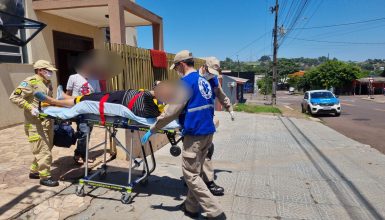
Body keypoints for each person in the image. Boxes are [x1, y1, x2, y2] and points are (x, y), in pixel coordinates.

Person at [141, 50, 226, 219]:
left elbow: (171, 111)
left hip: (194, 134)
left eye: (176, 67)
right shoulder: (204, 81)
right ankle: (191, 207)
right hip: (207, 132)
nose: (176, 71)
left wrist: (153, 129)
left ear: (181, 64)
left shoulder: (186, 83)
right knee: (196, 171)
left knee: (191, 175)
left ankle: (215, 212)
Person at [9, 60, 59, 187]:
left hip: (47, 122)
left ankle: (34, 170)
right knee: (44, 151)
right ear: (40, 70)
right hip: (34, 124)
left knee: (47, 147)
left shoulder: (47, 83)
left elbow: (48, 101)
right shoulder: (30, 82)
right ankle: (45, 177)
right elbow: (14, 97)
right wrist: (30, 107)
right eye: (48, 70)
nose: (50, 73)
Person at [198, 57, 234, 196]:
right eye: (210, 71)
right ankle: (195, 180)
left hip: (207, 120)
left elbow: (221, 95)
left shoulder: (213, 80)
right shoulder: (193, 79)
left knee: (207, 151)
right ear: (204, 67)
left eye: (215, 72)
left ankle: (205, 181)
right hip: (194, 122)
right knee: (195, 154)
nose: (212, 74)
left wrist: (229, 108)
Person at [34, 87, 167, 118]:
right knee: (89, 96)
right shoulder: (157, 106)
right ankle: (63, 96)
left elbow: (150, 94)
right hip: (118, 95)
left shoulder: (153, 111)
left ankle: (53, 101)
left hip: (116, 101)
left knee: (84, 100)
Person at [66, 54, 101, 163]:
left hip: (90, 110)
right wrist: (67, 110)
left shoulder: (95, 79)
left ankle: (81, 153)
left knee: (87, 132)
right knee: (84, 131)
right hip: (78, 109)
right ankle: (80, 154)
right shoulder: (73, 78)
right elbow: (68, 94)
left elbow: (98, 95)